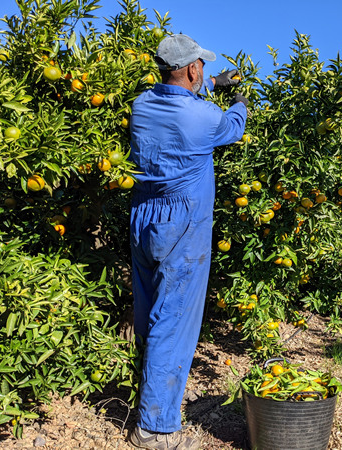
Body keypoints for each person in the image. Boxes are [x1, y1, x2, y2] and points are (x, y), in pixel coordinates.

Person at [127, 34, 248, 449]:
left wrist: (213, 84)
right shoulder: (205, 117)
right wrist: (240, 102)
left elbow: (178, 98)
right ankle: (155, 429)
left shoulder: (141, 106)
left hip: (143, 218)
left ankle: (148, 396)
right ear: (193, 69)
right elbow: (231, 128)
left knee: (149, 313)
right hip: (182, 224)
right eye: (202, 67)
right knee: (174, 323)